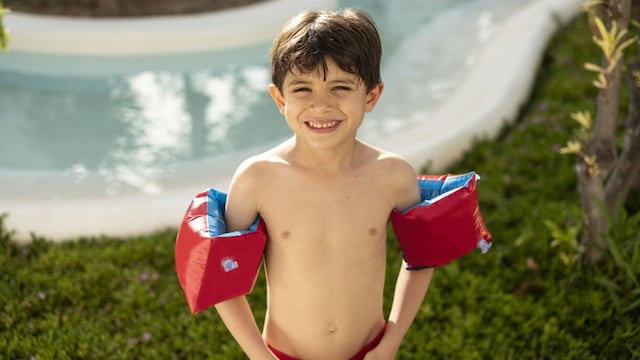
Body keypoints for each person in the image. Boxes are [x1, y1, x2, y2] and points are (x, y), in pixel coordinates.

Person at [215, 8, 434, 359]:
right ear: (280, 99)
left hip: (370, 352)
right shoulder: (257, 179)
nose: (321, 105)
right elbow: (222, 281)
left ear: (371, 96)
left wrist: (390, 343)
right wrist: (259, 356)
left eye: (340, 87)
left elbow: (423, 259)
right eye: (303, 89)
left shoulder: (392, 175)